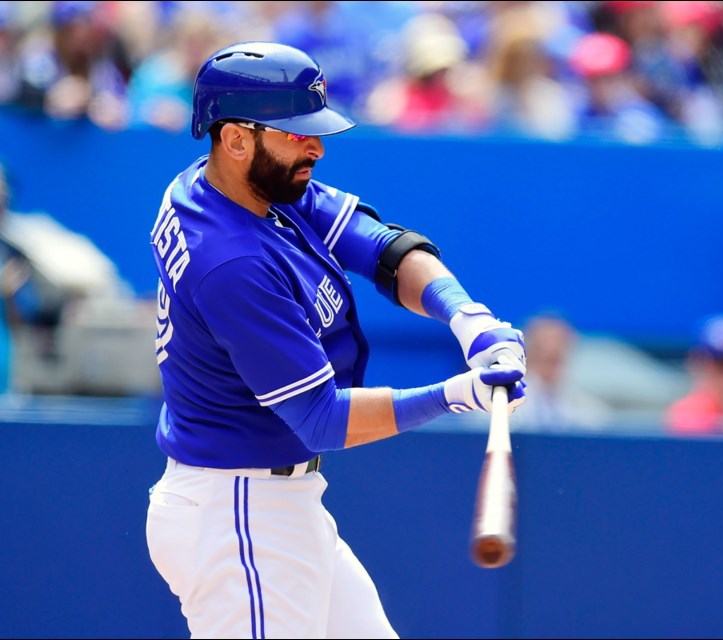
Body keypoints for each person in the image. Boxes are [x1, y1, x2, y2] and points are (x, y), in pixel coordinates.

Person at [144, 41, 527, 639]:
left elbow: (382, 248)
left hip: (275, 506)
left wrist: (467, 319)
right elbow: (319, 419)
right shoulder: (231, 261)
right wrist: (455, 394)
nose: (316, 147)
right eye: (295, 134)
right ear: (236, 138)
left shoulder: (240, 186)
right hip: (238, 514)